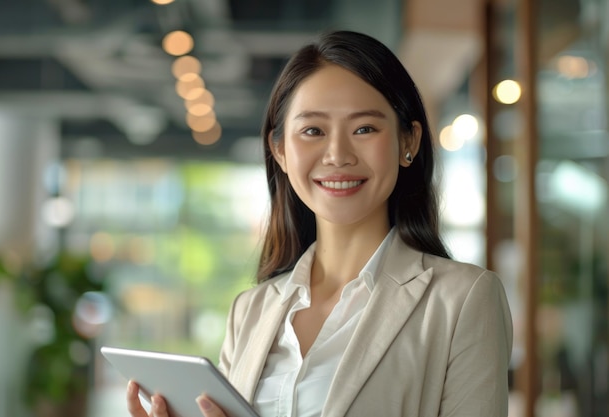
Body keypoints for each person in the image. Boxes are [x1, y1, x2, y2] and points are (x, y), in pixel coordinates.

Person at [127, 30, 513, 417]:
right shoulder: (251, 309)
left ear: (408, 142)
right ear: (279, 149)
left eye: (364, 129)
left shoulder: (463, 299)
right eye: (313, 131)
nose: (337, 155)